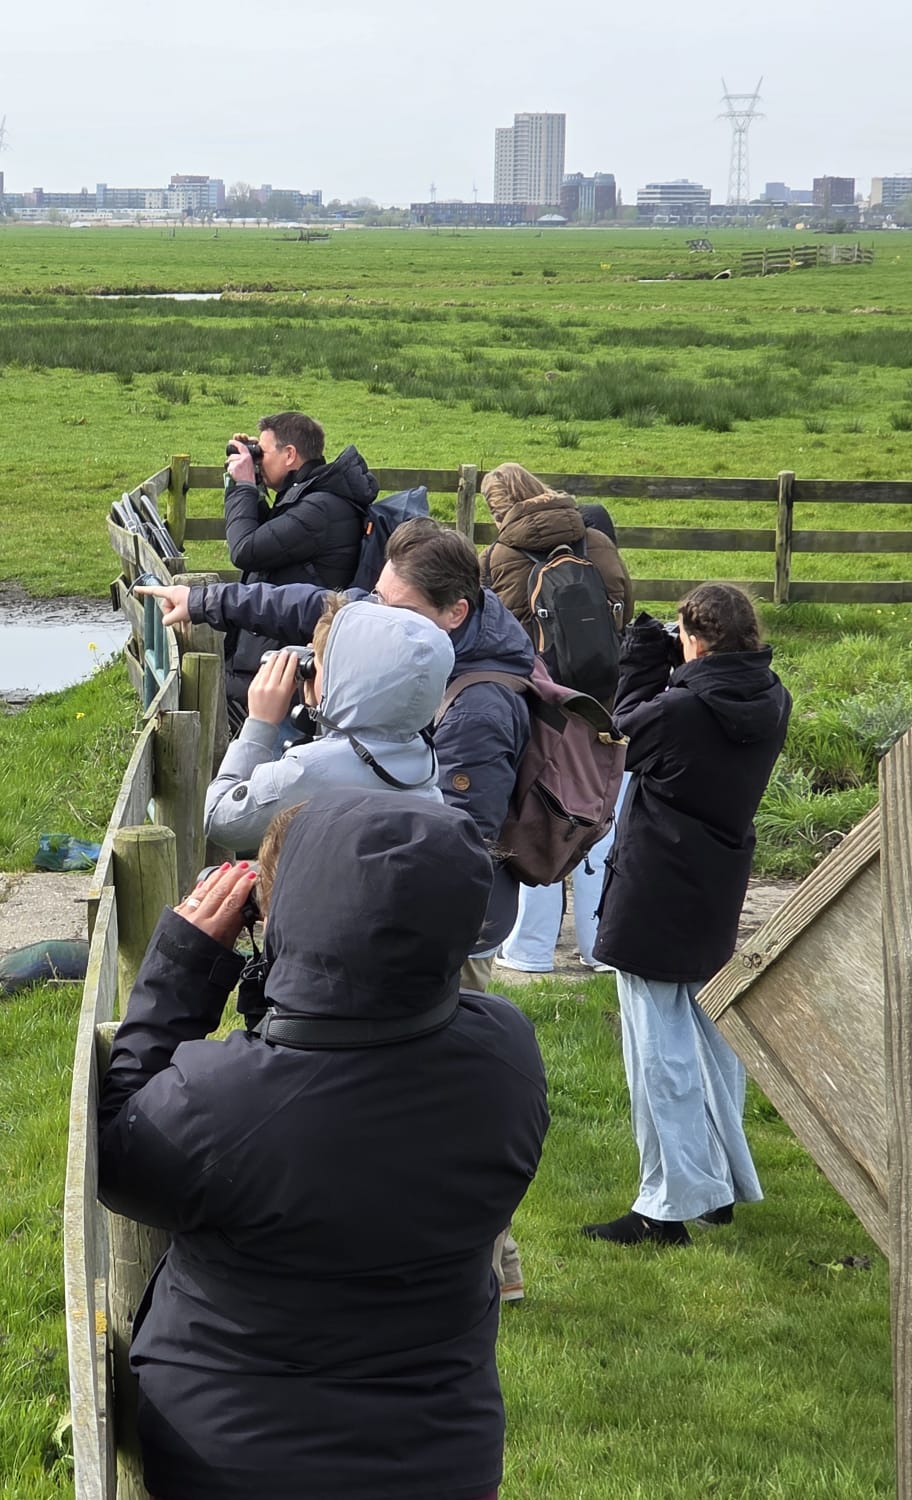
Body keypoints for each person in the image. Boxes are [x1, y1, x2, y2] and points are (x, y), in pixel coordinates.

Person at [97, 791, 548, 1500]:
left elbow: (121, 1155)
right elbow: (348, 1048)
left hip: (235, 1461)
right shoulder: (507, 1059)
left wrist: (185, 968)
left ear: (284, 925)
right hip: (441, 1457)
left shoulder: (218, 1104)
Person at [138, 520, 535, 976]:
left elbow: (460, 843)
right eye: (377, 599)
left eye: (396, 607)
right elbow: (320, 606)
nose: (374, 615)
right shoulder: (394, 636)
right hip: (376, 921)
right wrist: (206, 601)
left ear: (455, 613)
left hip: (440, 935)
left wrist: (270, 731)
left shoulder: (477, 708)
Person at [583, 584, 791, 1246]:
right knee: (707, 1034)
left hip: (655, 880)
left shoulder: (681, 708)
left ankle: (663, 1208)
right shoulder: (772, 696)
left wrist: (644, 654)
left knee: (657, 1049)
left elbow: (623, 731)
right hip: (718, 874)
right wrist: (674, 659)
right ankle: (717, 1183)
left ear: (694, 639)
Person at [477, 464, 634, 974]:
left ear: (500, 507)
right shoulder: (597, 539)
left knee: (536, 814)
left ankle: (529, 950)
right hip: (603, 695)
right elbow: (625, 610)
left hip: (542, 701)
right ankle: (602, 945)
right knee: (597, 813)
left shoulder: (500, 556)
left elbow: (497, 632)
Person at [206, 595, 453, 854]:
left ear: (341, 679)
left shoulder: (310, 770)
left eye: (317, 663)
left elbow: (220, 820)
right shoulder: (423, 758)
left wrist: (259, 724)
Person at [216, 412, 377, 697]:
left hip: (292, 665)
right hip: (286, 652)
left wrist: (242, 485)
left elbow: (245, 549)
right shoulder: (310, 496)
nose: (259, 460)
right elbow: (267, 537)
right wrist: (250, 482)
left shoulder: (319, 509)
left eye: (262, 453)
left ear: (289, 454)